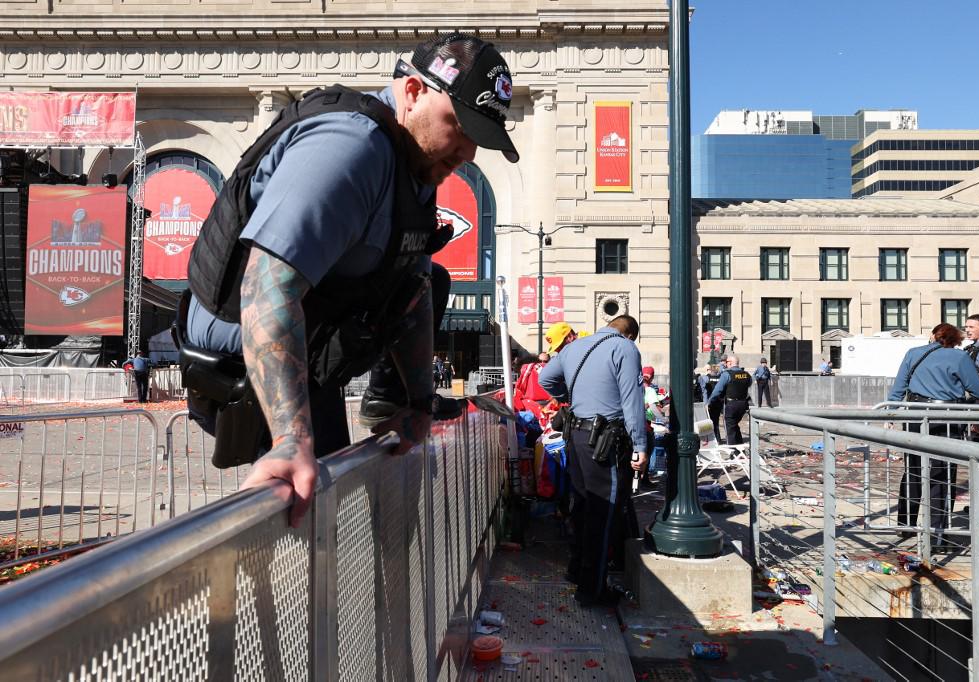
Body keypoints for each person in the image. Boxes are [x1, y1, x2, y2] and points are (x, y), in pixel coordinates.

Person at [178, 32, 520, 527]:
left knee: (337, 525)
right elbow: (268, 288)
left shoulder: (414, 168)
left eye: (478, 139)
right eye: (460, 127)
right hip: (241, 354)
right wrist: (290, 440)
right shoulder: (350, 148)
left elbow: (415, 289)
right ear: (414, 91)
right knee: (304, 522)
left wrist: (420, 403)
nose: (466, 152)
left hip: (306, 351)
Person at [538, 315, 646, 607]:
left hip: (576, 437)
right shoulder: (624, 348)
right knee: (603, 513)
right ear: (630, 334)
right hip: (605, 441)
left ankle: (577, 571)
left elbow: (544, 378)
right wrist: (640, 444)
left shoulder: (576, 347)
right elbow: (632, 400)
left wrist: (569, 396)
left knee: (582, 506)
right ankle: (592, 590)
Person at [887, 323, 979, 550]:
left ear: (933, 336)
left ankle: (906, 523)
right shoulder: (959, 357)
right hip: (947, 416)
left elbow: (899, 386)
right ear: (956, 340)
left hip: (915, 414)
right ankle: (937, 529)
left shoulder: (913, 353)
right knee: (942, 472)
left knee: (913, 469)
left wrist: (889, 413)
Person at [707, 355, 753, 445]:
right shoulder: (746, 374)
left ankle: (732, 450)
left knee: (729, 429)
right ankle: (739, 448)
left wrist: (710, 402)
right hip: (743, 404)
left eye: (727, 362)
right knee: (735, 425)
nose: (725, 363)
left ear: (731, 363)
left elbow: (717, 390)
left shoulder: (727, 374)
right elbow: (749, 384)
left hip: (731, 404)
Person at [700, 364, 723, 442]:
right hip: (718, 402)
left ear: (709, 370)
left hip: (710, 403)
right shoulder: (720, 378)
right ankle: (718, 438)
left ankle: (711, 439)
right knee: (716, 421)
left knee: (709, 421)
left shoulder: (706, 378)